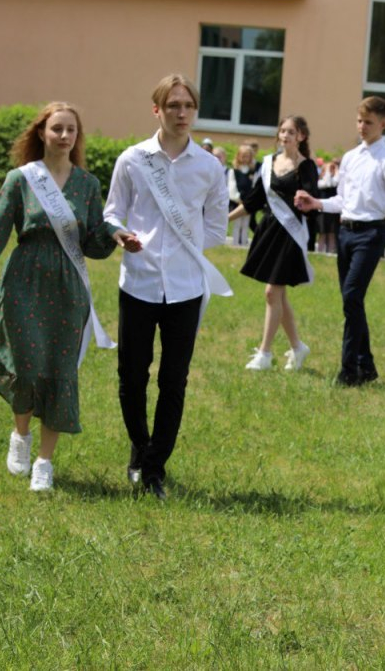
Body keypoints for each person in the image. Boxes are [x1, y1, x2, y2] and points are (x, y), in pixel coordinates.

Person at [0, 102, 140, 492]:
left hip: (67, 287)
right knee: (26, 366)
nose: (64, 136)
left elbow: (92, 241)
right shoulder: (21, 180)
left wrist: (115, 235)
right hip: (24, 282)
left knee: (59, 372)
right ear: (41, 132)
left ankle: (45, 462)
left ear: (77, 137)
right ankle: (21, 434)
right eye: (57, 128)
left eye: (71, 130)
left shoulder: (88, 184)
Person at [104, 73, 231, 500]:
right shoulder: (132, 159)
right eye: (173, 105)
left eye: (188, 106)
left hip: (186, 287)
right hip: (138, 282)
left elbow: (216, 227)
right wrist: (121, 235)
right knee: (131, 376)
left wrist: (185, 243)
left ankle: (155, 469)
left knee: (174, 380)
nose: (182, 113)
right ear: (157, 109)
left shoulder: (210, 167)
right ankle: (140, 450)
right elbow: (112, 212)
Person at [294, 95, 385, 386]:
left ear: (382, 124)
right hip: (346, 232)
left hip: (371, 233)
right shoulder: (350, 158)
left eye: (368, 122)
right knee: (352, 301)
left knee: (352, 297)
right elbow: (343, 200)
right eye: (359, 121)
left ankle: (348, 371)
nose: (362, 127)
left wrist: (381, 219)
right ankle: (366, 365)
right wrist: (317, 203)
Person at [231, 115, 318, 371]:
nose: (285, 136)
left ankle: (264, 354)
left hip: (290, 235)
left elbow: (312, 202)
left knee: (272, 292)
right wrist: (225, 218)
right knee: (279, 295)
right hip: (269, 231)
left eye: (291, 132)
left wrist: (305, 199)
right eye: (282, 131)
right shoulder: (269, 163)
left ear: (301, 136)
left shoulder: (307, 167)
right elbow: (253, 200)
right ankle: (298, 348)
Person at [316, 156, 341, 254]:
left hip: (332, 210)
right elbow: (327, 183)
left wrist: (336, 169)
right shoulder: (319, 182)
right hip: (322, 211)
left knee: (331, 233)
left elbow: (334, 182)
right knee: (322, 234)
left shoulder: (335, 181)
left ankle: (331, 252)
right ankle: (320, 252)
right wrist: (327, 170)